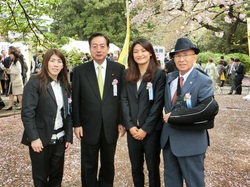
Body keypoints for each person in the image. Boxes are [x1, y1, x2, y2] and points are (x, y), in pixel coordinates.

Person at [72, 33, 126, 187]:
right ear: (90, 48)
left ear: (108, 48)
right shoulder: (80, 71)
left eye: (102, 46)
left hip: (111, 124)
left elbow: (122, 98)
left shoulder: (119, 69)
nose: (99, 49)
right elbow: (75, 99)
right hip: (88, 126)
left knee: (108, 164)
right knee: (88, 164)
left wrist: (122, 121)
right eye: (94, 46)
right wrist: (77, 124)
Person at [161, 38, 215, 187]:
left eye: (186, 55)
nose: (181, 59)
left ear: (194, 56)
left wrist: (176, 116)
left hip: (191, 142)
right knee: (171, 182)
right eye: (177, 56)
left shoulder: (203, 80)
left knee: (194, 183)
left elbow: (205, 111)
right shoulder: (170, 78)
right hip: (169, 142)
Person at [21, 49, 73, 186]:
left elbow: (67, 113)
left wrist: (68, 137)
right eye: (52, 61)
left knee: (57, 177)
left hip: (59, 139)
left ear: (63, 65)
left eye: (59, 61)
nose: (56, 65)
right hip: (41, 140)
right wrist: (34, 138)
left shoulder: (65, 84)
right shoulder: (34, 83)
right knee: (41, 178)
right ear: (45, 63)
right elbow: (27, 113)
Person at [121, 38, 165, 187]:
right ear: (132, 55)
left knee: (153, 168)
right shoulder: (127, 73)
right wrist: (130, 126)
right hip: (132, 130)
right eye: (136, 51)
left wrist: (145, 129)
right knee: (136, 167)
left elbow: (158, 104)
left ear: (151, 53)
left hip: (151, 131)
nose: (140, 54)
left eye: (143, 50)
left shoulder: (159, 74)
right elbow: (124, 100)